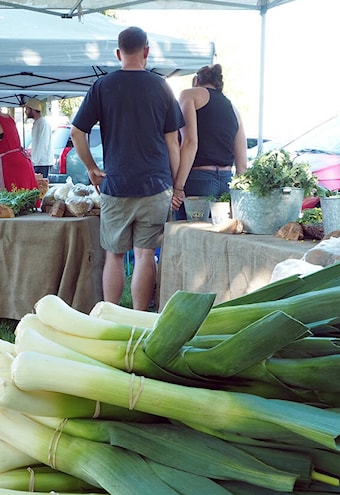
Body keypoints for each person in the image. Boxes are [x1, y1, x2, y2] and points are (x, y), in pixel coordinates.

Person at [70, 26, 183, 312]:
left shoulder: (102, 86)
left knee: (114, 256)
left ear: (119, 54)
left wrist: (92, 168)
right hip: (156, 187)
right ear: (146, 51)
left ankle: (111, 316)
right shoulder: (161, 86)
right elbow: (173, 143)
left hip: (116, 186)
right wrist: (176, 185)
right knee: (146, 255)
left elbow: (76, 132)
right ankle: (139, 317)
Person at [172, 64, 248, 220]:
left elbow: (190, 142)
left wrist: (178, 187)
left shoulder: (189, 95)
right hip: (227, 180)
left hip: (197, 179)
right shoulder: (234, 109)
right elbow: (242, 165)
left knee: (188, 237)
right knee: (217, 240)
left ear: (196, 81)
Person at [25, 98, 52, 179]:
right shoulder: (38, 123)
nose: (25, 112)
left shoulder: (43, 123)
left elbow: (42, 144)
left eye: (27, 109)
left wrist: (33, 161)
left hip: (41, 163)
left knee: (40, 187)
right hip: (38, 162)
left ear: (32, 109)